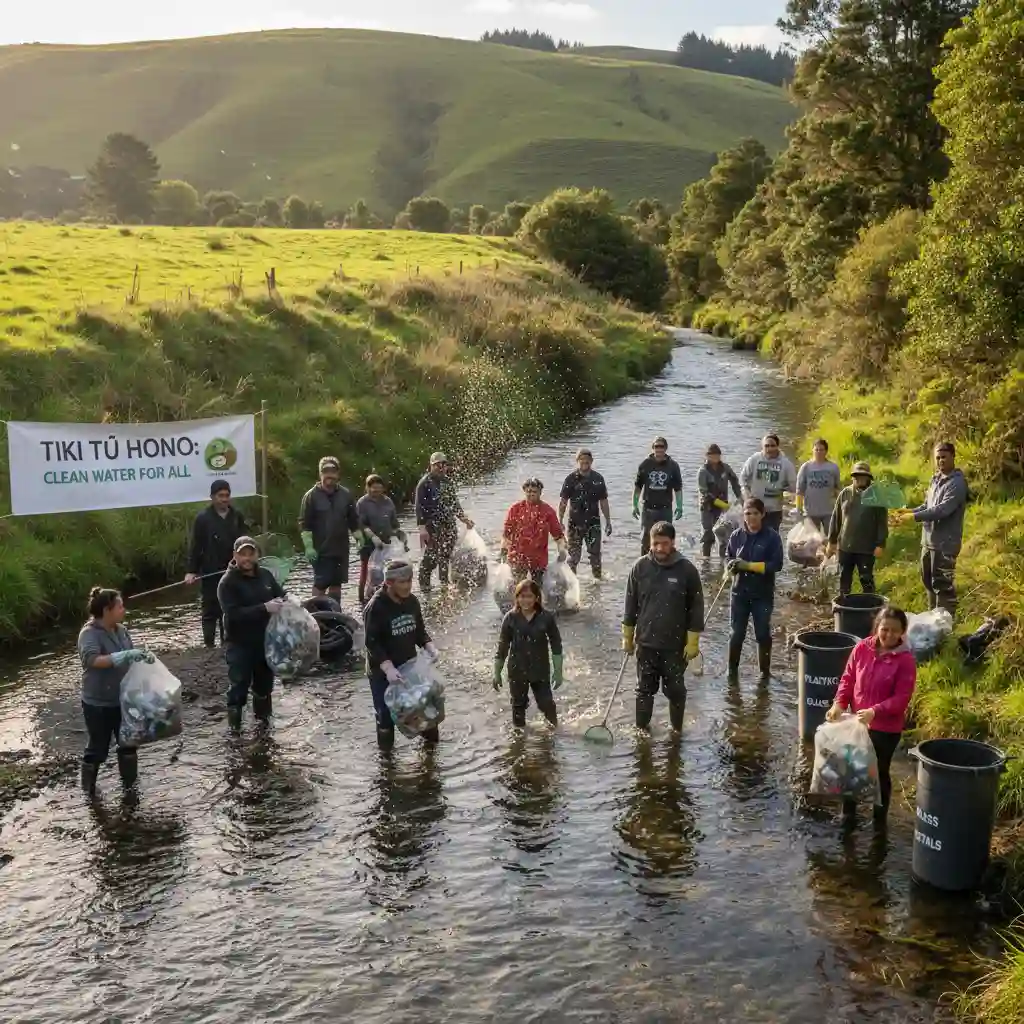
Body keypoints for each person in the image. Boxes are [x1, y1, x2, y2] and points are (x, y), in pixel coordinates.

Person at [827, 607, 916, 821]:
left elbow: (901, 698)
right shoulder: (861, 648)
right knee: (852, 770)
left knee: (879, 773)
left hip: (885, 730)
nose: (889, 635)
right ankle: (848, 817)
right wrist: (839, 703)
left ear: (903, 632)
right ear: (877, 627)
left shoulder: (905, 661)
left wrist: (875, 711)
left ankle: (880, 819)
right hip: (857, 724)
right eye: (885, 629)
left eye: (895, 631)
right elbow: (848, 679)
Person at [622, 522, 704, 733]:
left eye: (664, 544)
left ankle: (677, 732)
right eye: (655, 544)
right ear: (650, 542)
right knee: (644, 691)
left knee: (675, 690)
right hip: (646, 643)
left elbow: (696, 608)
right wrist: (627, 636)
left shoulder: (687, 570)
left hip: (675, 646)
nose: (659, 549)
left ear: (673, 543)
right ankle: (642, 734)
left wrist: (693, 641)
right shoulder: (640, 567)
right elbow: (630, 605)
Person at [77, 587, 154, 795]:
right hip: (98, 702)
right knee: (98, 749)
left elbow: (130, 656)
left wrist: (140, 659)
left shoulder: (121, 630)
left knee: (128, 744)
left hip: (123, 699)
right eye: (119, 606)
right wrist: (124, 656)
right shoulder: (89, 633)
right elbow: (92, 661)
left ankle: (130, 789)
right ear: (106, 610)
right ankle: (88, 792)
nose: (123, 609)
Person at [364, 559, 440, 750]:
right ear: (389, 583)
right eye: (402, 582)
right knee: (386, 717)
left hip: (409, 667)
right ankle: (387, 766)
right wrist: (387, 667)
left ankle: (431, 760)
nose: (407, 586)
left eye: (409, 581)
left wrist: (429, 645)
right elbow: (372, 642)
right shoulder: (376, 607)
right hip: (383, 673)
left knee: (425, 712)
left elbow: (419, 631)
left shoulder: (412, 602)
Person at [217, 536, 286, 731]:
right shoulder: (227, 583)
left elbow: (280, 594)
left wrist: (289, 602)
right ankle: (235, 731)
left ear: (257, 555)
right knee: (239, 687)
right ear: (234, 556)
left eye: (251, 554)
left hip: (265, 642)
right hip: (239, 643)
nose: (247, 558)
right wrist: (264, 607)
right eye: (242, 554)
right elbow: (233, 613)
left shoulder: (265, 575)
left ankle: (263, 728)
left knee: (264, 687)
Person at [894, 442, 968, 618]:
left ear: (953, 457)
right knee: (928, 582)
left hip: (945, 544)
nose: (941, 460)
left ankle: (945, 625)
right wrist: (909, 511)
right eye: (937, 457)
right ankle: (932, 621)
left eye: (944, 457)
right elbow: (927, 506)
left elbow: (943, 509)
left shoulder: (957, 483)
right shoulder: (935, 479)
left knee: (942, 586)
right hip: (928, 542)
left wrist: (914, 518)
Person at [725, 498, 785, 683]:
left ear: (763, 514)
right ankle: (732, 673)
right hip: (739, 594)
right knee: (736, 635)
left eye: (755, 513)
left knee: (762, 634)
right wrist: (730, 567)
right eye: (747, 513)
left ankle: (764, 674)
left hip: (762, 595)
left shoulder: (772, 537)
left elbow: (777, 565)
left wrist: (749, 566)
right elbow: (727, 557)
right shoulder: (736, 536)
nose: (751, 517)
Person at [185, 479, 249, 648]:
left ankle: (227, 643)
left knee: (229, 608)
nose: (224, 499)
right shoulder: (203, 518)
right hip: (210, 571)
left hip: (233, 571)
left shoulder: (237, 516)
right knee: (209, 608)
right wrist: (192, 571)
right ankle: (208, 645)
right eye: (220, 496)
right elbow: (195, 546)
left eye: (227, 495)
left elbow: (245, 543)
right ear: (213, 497)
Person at [493, 579, 563, 728]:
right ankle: (519, 744)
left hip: (540, 670)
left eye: (529, 596)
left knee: (546, 704)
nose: (525, 600)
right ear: (517, 597)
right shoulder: (510, 618)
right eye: (522, 596)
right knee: (518, 708)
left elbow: (556, 646)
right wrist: (496, 673)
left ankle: (555, 734)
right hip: (517, 671)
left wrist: (558, 672)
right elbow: (502, 648)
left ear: (537, 598)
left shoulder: (546, 618)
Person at [299, 456, 363, 603]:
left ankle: (335, 612)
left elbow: (353, 520)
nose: (329, 475)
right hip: (320, 550)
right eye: (325, 471)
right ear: (320, 474)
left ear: (338, 474)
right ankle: (317, 614)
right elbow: (304, 524)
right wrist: (309, 547)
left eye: (333, 471)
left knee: (336, 584)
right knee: (320, 584)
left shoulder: (346, 495)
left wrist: (359, 538)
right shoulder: (311, 496)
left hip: (341, 549)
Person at [826, 461, 888, 596]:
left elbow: (882, 523)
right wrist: (831, 541)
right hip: (845, 547)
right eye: (857, 476)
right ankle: (843, 608)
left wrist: (880, 544)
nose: (859, 479)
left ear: (868, 478)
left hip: (866, 549)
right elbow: (836, 517)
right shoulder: (845, 493)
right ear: (853, 477)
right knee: (843, 580)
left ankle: (870, 608)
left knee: (866, 580)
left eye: (863, 476)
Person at [415, 452, 475, 590]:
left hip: (448, 525)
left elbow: (454, 503)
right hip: (432, 527)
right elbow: (419, 508)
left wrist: (464, 519)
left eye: (443, 464)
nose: (441, 467)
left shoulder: (447, 482)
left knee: (445, 556)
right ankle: (424, 587)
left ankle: (444, 584)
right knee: (431, 558)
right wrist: (422, 528)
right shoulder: (424, 484)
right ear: (431, 466)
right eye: (437, 465)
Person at [501, 477, 568, 587]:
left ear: (540, 492)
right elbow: (507, 533)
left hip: (538, 558)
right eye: (528, 491)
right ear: (524, 491)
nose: (531, 494)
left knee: (536, 588)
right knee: (518, 588)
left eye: (534, 492)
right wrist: (503, 550)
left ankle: (538, 603)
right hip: (517, 556)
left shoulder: (548, 511)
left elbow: (558, 535)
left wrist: (562, 551)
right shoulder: (516, 509)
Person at [558, 448, 612, 578]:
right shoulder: (571, 479)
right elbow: (563, 501)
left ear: (591, 461)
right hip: (574, 524)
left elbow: (603, 502)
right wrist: (559, 521)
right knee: (573, 558)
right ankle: (572, 585)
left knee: (595, 556)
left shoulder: (598, 479)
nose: (585, 462)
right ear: (577, 461)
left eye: (587, 459)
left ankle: (597, 584)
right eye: (581, 459)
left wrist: (608, 521)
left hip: (593, 524)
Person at [356, 474, 408, 603]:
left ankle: (384, 598)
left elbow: (394, 524)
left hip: (386, 545)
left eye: (379, 489)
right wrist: (373, 537)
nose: (376, 492)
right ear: (367, 488)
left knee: (385, 572)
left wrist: (400, 538)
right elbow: (360, 525)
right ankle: (363, 600)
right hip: (368, 544)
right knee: (366, 572)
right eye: (373, 489)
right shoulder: (362, 503)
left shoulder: (388, 501)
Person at [632, 437, 684, 556]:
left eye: (661, 446)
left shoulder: (673, 466)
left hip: (665, 509)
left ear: (665, 448)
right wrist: (634, 505)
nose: (659, 449)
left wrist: (680, 506)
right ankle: (645, 564)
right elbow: (638, 487)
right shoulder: (645, 465)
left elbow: (678, 488)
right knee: (646, 538)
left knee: (666, 539)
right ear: (652, 448)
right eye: (656, 446)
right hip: (648, 508)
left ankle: (666, 565)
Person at [739, 434, 797, 533]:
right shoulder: (754, 459)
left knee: (771, 538)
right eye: (766, 446)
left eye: (772, 446)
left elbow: (794, 486)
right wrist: (747, 497)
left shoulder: (786, 464)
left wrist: (787, 494)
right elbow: (742, 479)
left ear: (778, 446)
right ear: (762, 446)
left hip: (773, 510)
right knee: (752, 537)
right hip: (754, 509)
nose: (769, 449)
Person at [697, 444, 742, 558]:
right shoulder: (702, 471)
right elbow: (705, 493)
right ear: (706, 456)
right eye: (711, 455)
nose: (714, 457)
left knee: (724, 534)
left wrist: (740, 498)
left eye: (717, 455)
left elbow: (735, 482)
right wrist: (722, 504)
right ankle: (706, 561)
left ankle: (723, 561)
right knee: (708, 536)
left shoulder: (725, 468)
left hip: (722, 507)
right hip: (707, 507)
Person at [796, 439, 841, 533]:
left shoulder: (833, 467)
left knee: (831, 539)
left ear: (826, 451)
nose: (819, 452)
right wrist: (799, 510)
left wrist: (840, 509)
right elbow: (799, 490)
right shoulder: (806, 467)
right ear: (812, 450)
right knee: (812, 541)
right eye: (816, 449)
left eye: (821, 450)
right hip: (810, 511)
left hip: (829, 511)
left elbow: (838, 489)